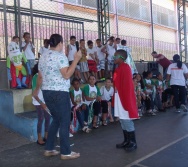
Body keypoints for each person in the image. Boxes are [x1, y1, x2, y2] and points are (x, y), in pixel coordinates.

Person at [33, 34, 81, 160]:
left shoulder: (43, 56)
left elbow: (40, 76)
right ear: (60, 43)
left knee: (56, 119)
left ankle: (49, 148)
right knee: (65, 121)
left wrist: (36, 90)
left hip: (47, 92)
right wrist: (76, 59)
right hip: (60, 92)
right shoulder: (60, 57)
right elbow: (66, 75)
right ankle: (66, 152)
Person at [114, 49, 138, 151]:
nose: (113, 58)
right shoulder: (119, 67)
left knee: (127, 119)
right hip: (119, 97)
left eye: (115, 56)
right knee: (122, 120)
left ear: (121, 58)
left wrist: (127, 101)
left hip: (124, 98)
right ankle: (126, 141)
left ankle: (133, 142)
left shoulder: (125, 67)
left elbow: (128, 86)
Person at [32, 63, 50, 145]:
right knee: (41, 118)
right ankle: (39, 138)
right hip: (38, 101)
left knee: (47, 118)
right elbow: (34, 94)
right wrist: (42, 103)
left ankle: (46, 136)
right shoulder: (36, 77)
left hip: (44, 101)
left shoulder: (44, 77)